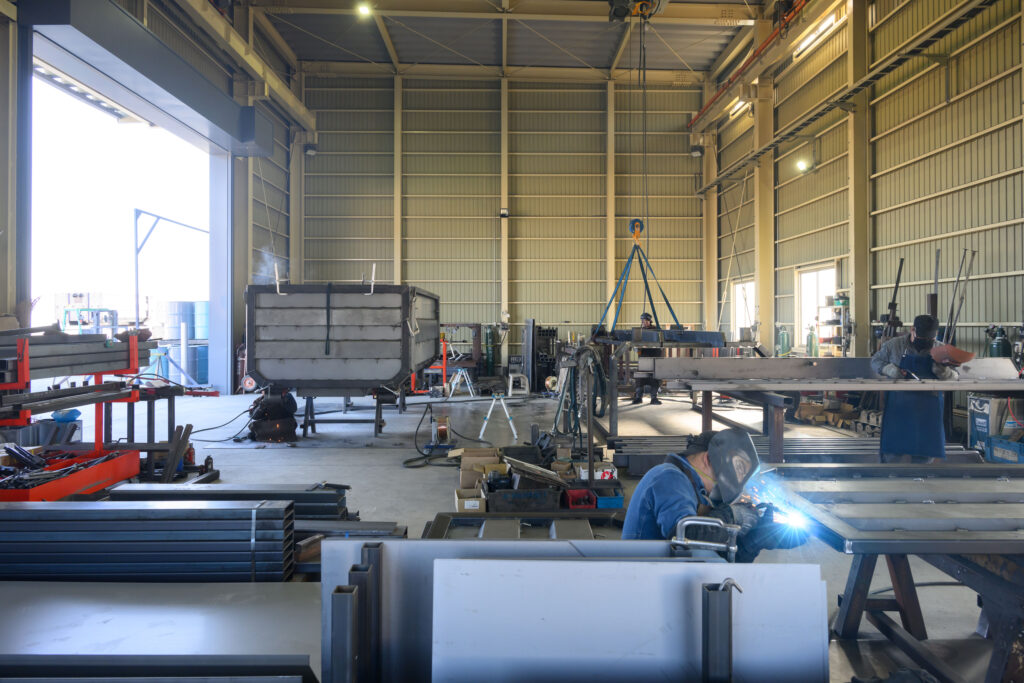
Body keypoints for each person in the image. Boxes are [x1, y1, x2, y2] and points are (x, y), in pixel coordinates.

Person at [871, 314, 959, 463]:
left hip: (927, 409)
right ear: (913, 330)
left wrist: (944, 372)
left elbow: (956, 376)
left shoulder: (941, 349)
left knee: (924, 454)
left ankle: (921, 476)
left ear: (935, 335)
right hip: (899, 407)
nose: (925, 342)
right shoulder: (894, 345)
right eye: (921, 338)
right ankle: (890, 475)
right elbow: (876, 361)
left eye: (929, 339)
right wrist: (889, 369)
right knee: (893, 453)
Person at [632, 312, 663, 405]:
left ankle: (654, 398)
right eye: (642, 321)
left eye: (646, 321)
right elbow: (635, 343)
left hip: (654, 358)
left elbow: (661, 343)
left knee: (655, 378)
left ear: (650, 321)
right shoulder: (640, 331)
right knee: (640, 378)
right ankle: (638, 397)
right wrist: (636, 348)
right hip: (643, 359)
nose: (644, 323)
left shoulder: (656, 330)